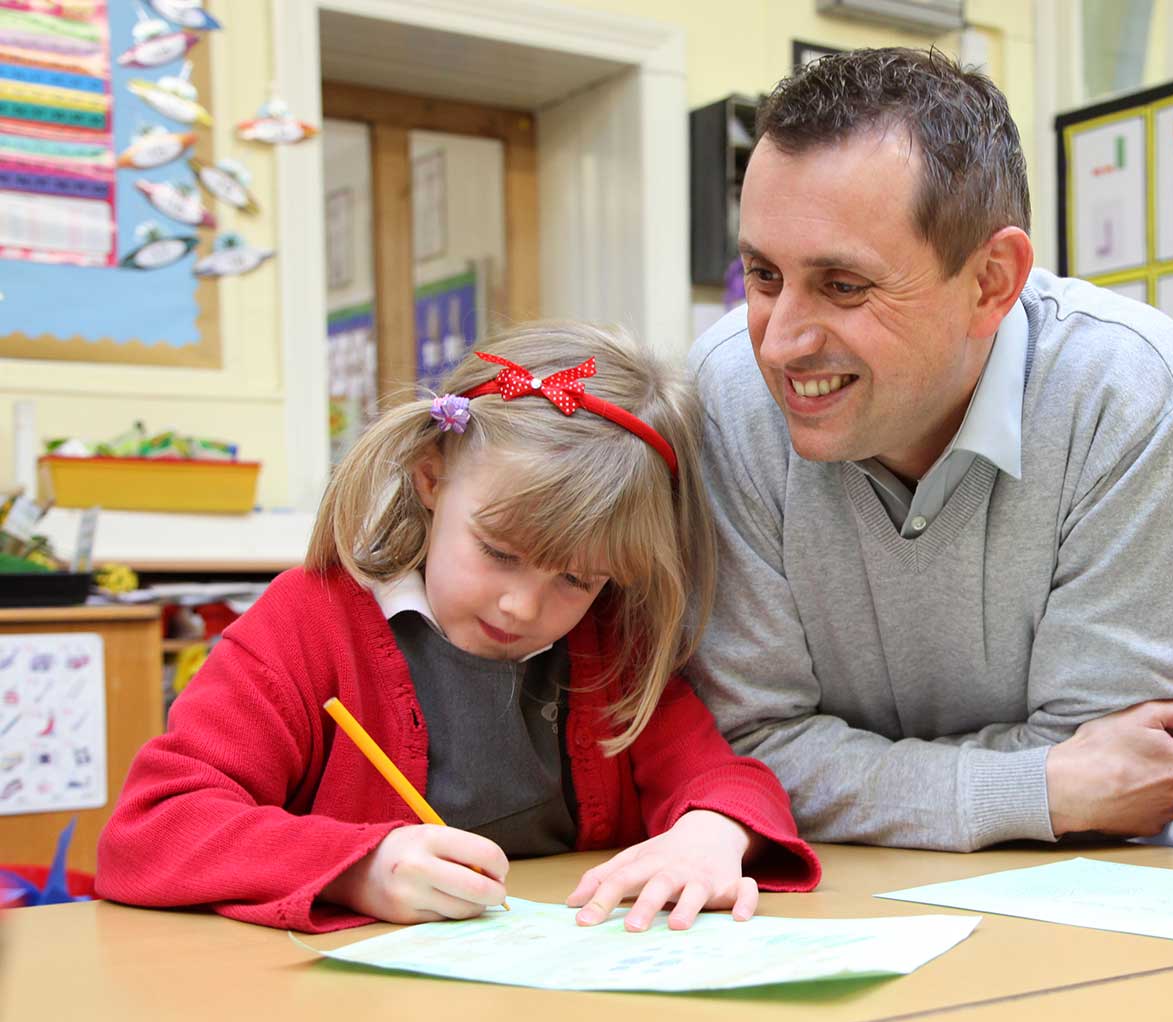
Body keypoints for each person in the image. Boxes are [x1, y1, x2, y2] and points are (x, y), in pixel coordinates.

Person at [96, 320, 818, 933]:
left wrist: (712, 833)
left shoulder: (609, 648)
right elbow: (151, 829)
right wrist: (356, 870)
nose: (522, 608)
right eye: (499, 552)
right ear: (431, 474)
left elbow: (727, 779)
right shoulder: (307, 626)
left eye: (576, 578)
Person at [688, 48, 1173, 851]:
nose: (779, 344)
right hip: (816, 907)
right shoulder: (724, 394)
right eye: (764, 276)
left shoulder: (1137, 397)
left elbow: (1125, 785)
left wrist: (848, 773)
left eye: (843, 285)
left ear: (990, 282)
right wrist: (1036, 786)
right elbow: (749, 753)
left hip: (1085, 911)